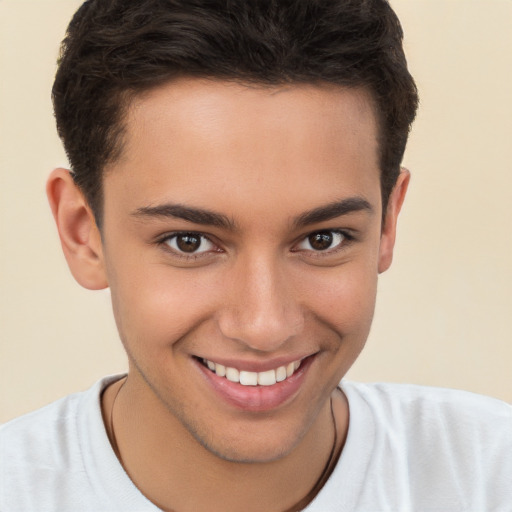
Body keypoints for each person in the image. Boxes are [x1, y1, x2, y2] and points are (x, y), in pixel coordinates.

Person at [0, 0, 510, 510]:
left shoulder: (492, 475)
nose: (265, 325)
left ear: (387, 224)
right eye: (189, 242)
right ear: (83, 232)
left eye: (322, 239)